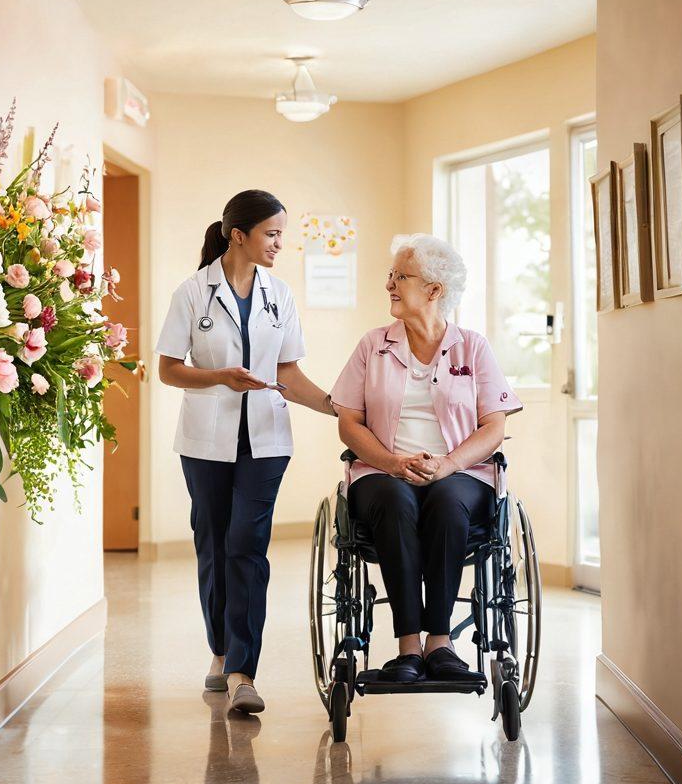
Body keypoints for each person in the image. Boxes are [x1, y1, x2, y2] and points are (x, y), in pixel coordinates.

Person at [156, 190, 335, 714]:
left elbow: (288, 374)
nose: (280, 244)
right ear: (239, 235)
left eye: (281, 234)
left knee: (247, 546)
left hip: (267, 441)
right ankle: (220, 649)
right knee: (212, 545)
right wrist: (219, 378)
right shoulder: (192, 293)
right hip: (205, 442)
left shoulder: (280, 294)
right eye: (272, 234)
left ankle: (242, 671)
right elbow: (169, 368)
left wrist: (339, 410)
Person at [330, 233, 522, 684]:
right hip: (382, 469)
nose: (390, 285)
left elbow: (495, 425)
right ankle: (408, 646)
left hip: (459, 471)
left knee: (447, 502)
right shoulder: (372, 344)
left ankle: (441, 643)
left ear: (434, 290)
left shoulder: (472, 346)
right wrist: (394, 463)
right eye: (390, 276)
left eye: (401, 276)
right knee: (395, 502)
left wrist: (449, 463)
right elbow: (349, 421)